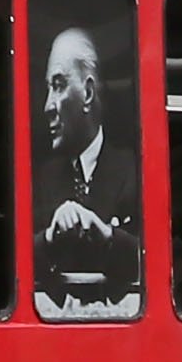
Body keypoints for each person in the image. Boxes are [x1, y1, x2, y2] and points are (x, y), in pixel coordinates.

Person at [31, 19, 136, 317]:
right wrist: (50, 237)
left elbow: (159, 261)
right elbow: (17, 261)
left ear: (88, 94)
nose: (48, 106)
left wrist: (107, 236)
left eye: (58, 86)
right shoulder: (43, 178)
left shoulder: (133, 169)